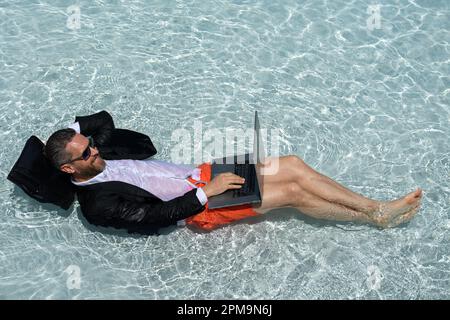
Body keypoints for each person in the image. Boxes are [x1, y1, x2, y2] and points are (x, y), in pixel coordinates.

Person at [44, 111, 422, 234]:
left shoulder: (96, 151)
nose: (95, 148)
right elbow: (154, 216)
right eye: (86, 151)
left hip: (204, 172)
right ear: (68, 168)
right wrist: (207, 191)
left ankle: (374, 206)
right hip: (199, 206)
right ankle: (376, 216)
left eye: (89, 144)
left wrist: (76, 132)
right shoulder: (96, 203)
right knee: (292, 193)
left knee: (289, 164)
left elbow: (107, 123)